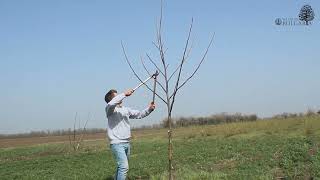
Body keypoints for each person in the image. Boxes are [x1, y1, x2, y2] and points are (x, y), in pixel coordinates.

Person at [104, 89, 155, 180]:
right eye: (117, 96)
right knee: (124, 167)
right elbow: (111, 104)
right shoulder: (109, 110)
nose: (121, 98)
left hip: (127, 143)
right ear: (112, 99)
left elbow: (139, 114)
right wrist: (124, 94)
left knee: (121, 167)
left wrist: (149, 109)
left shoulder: (126, 110)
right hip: (117, 143)